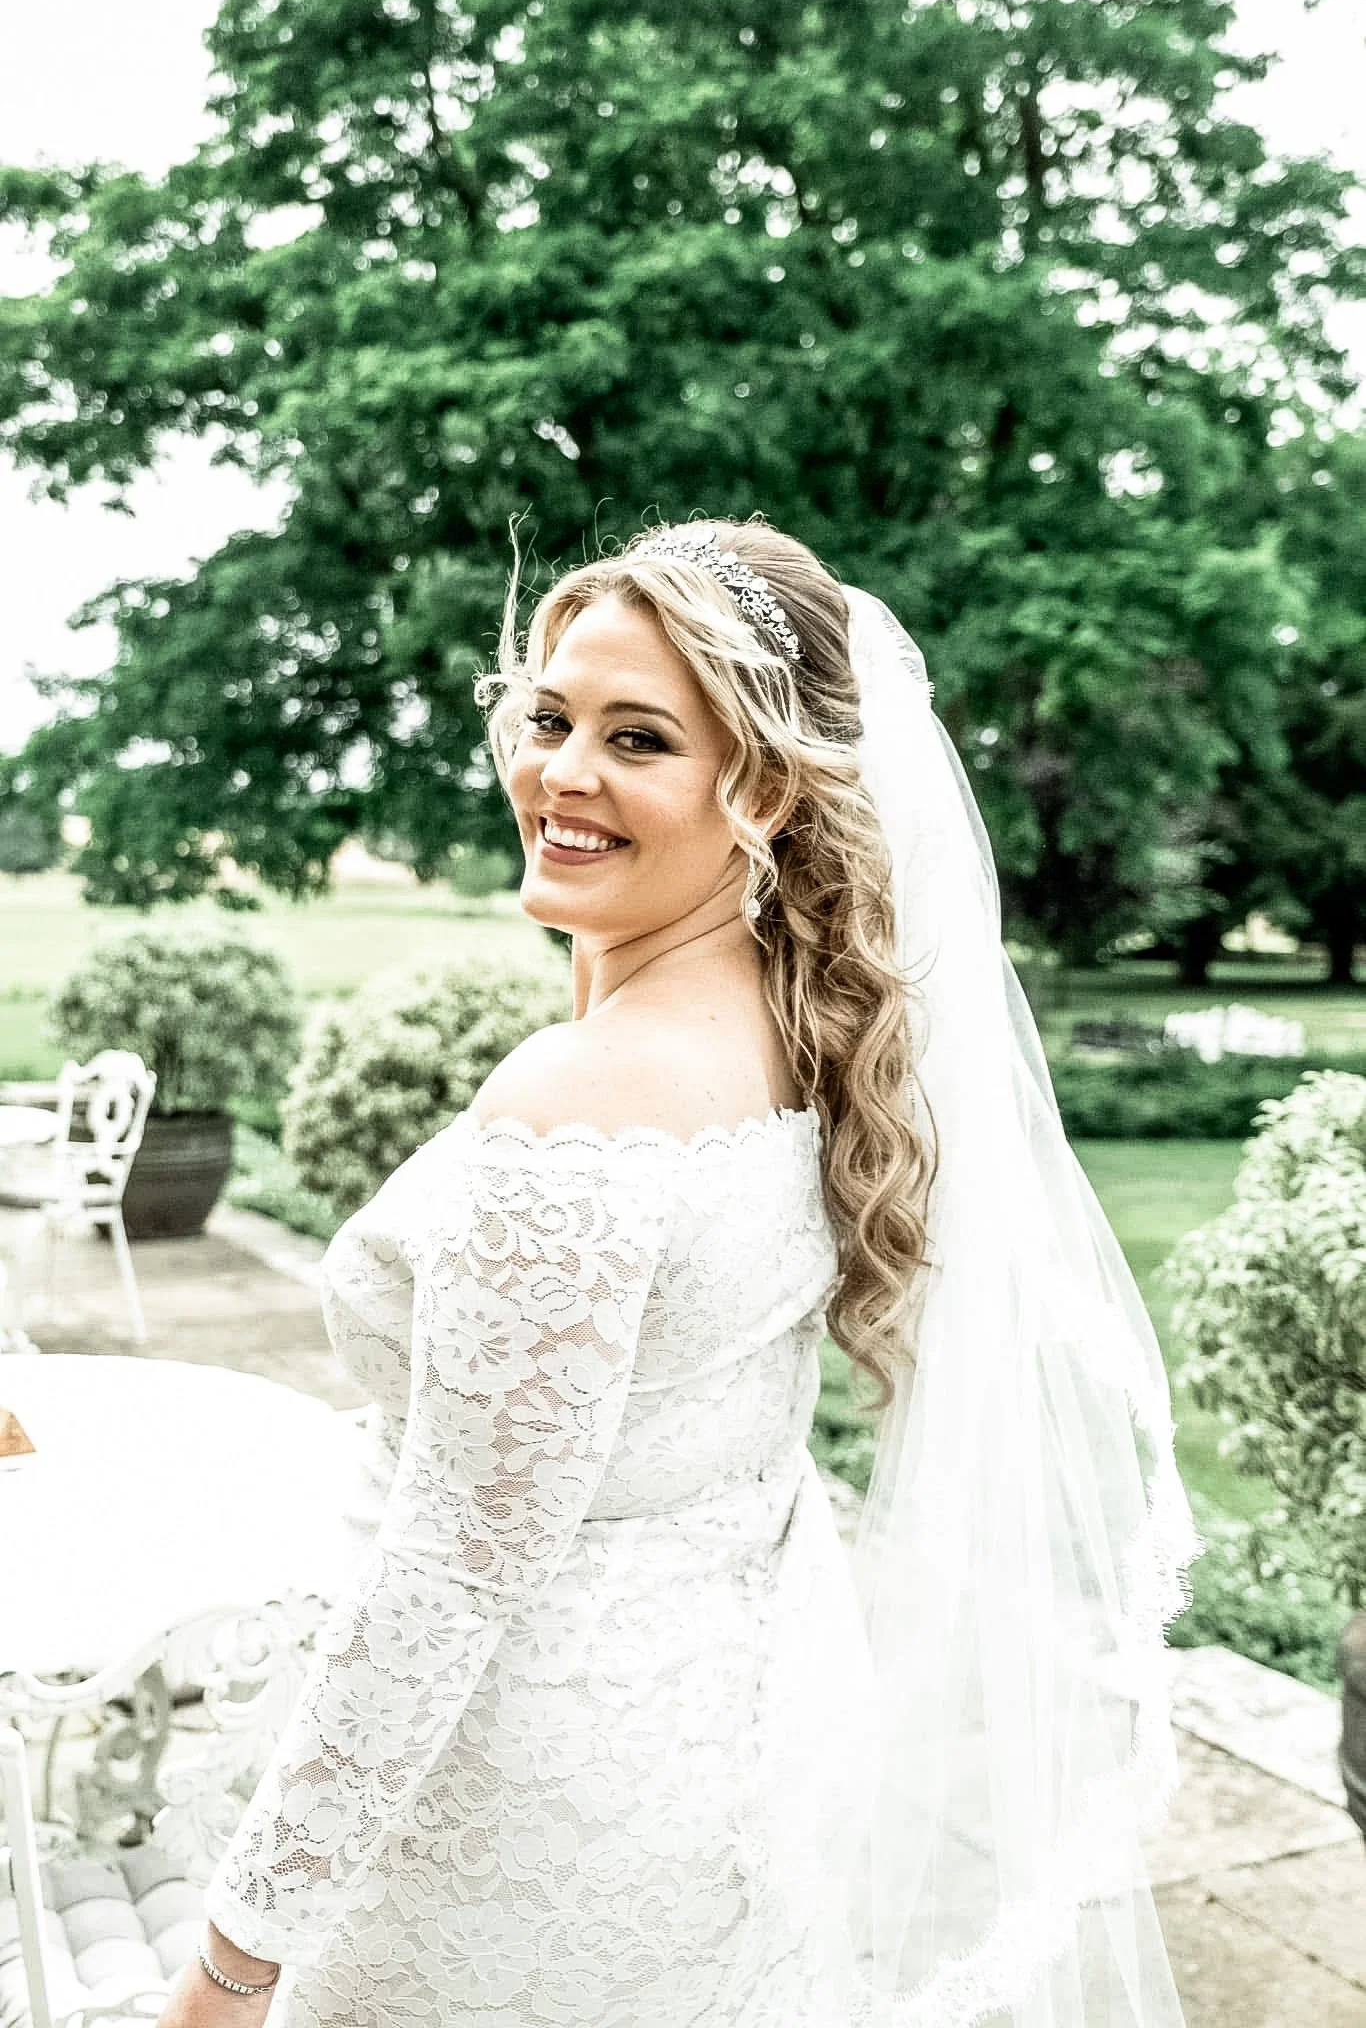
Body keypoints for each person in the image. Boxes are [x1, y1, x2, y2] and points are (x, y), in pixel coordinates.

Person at [156, 519, 1197, 2028]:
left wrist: (232, 1962)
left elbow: (447, 1582)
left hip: (504, 1820)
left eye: (635, 738)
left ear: (763, 786)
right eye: (550, 719)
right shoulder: (796, 1039)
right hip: (712, 1771)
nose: (559, 772)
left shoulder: (579, 1105)